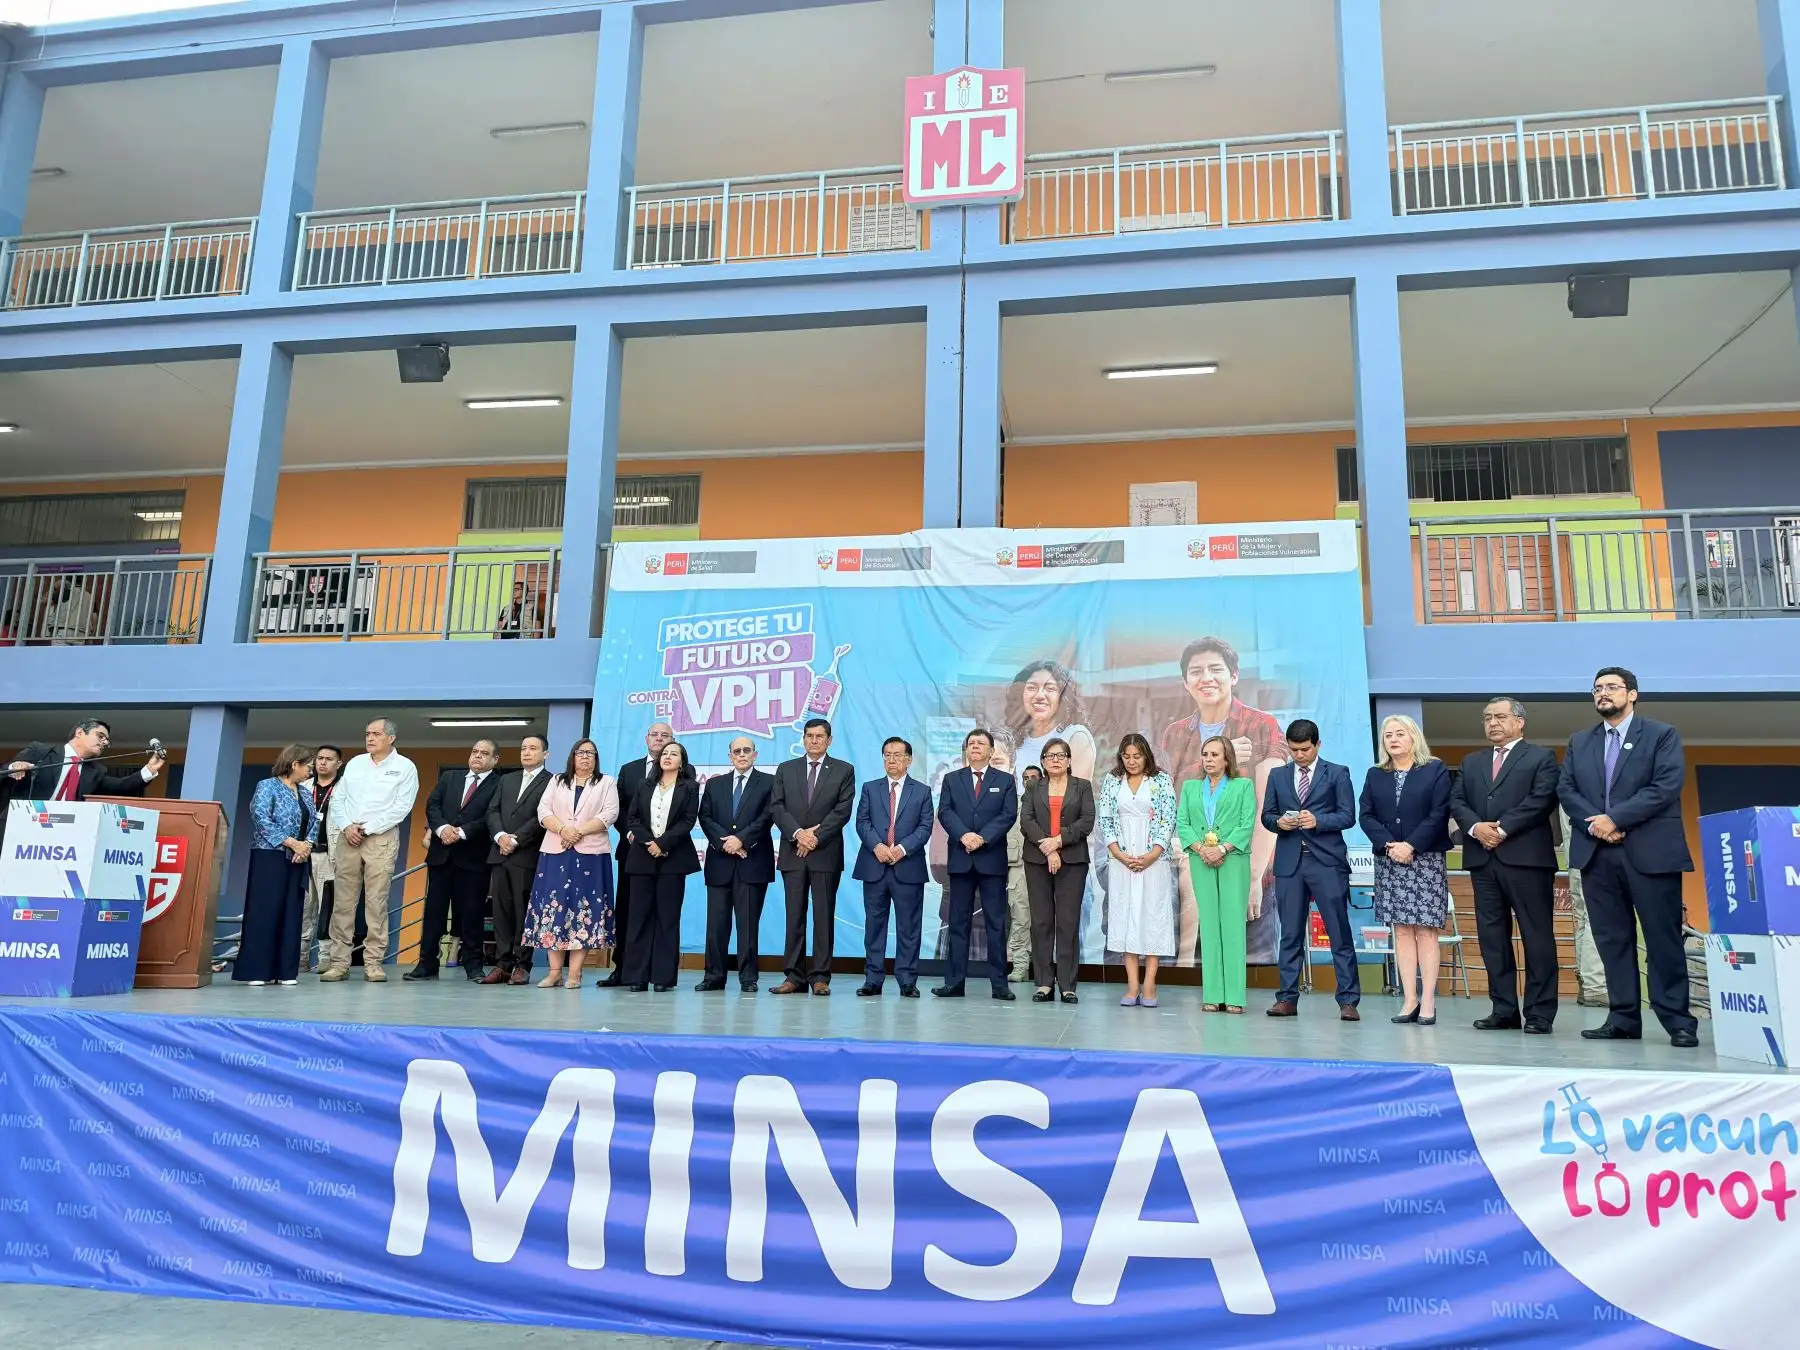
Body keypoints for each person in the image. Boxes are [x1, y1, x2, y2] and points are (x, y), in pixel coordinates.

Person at [1558, 667, 1698, 1048]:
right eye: (1597, 688)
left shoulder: (1660, 735)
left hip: (1650, 853)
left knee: (1662, 940)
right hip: (1597, 855)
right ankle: (1622, 1018)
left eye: (1612, 687)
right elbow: (1566, 789)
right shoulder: (1580, 741)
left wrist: (1615, 818)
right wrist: (1596, 825)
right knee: (1612, 940)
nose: (1603, 693)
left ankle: (1678, 1021)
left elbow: (1666, 786)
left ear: (1632, 694)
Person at [1158, 636, 1288, 964]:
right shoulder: (1175, 734)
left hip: (1243, 872)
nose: (1206, 678)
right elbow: (1171, 802)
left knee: (1249, 971)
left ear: (1234, 675)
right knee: (1192, 974)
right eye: (1196, 671)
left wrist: (1253, 876)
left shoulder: (1262, 725)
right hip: (1190, 874)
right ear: (1185, 682)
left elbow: (1268, 805)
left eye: (1216, 669)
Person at [1451, 698, 1562, 1034]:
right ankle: (1504, 1009)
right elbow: (1457, 800)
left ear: (1520, 722)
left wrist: (1500, 828)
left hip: (1527, 859)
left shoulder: (1541, 757)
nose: (1493, 723)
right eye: (1487, 718)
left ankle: (1540, 1013)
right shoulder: (1472, 762)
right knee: (1492, 939)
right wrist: (1476, 828)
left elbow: (1542, 799)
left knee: (1536, 936)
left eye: (1500, 716)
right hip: (1483, 861)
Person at [1263, 719, 1359, 1020]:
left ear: (1317, 745)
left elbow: (1348, 815)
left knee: (1338, 931)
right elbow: (1267, 815)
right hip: (1290, 863)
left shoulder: (1338, 773)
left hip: (1327, 862)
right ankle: (1287, 998)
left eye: (1304, 749)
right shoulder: (1278, 775)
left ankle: (1348, 1000)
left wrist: (1319, 820)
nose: (1299, 755)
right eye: (1294, 750)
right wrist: (1279, 823)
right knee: (1289, 934)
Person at [1359, 716, 1452, 1027]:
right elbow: (1366, 814)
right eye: (1388, 735)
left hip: (1424, 859)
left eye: (1400, 734)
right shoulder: (1375, 774)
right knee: (1400, 930)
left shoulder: (1434, 769)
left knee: (1426, 930)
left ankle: (1428, 1000)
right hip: (1389, 859)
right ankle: (1409, 998)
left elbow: (1440, 813)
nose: (1393, 739)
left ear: (1414, 737)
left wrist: (1411, 845)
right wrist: (1389, 844)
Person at [319, 718, 419, 983]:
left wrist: (368, 828)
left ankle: (373, 963)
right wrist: (346, 826)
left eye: (376, 734)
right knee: (342, 903)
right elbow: (338, 800)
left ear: (391, 738)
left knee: (376, 902)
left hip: (380, 838)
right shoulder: (355, 764)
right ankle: (338, 963)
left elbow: (402, 806)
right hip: (348, 837)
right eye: (367, 734)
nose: (370, 738)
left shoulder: (405, 767)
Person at [770, 718, 855, 996]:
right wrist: (798, 834)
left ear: (829, 740)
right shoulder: (786, 769)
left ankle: (820, 976)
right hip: (793, 852)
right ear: (804, 739)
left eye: (820, 736)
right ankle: (793, 976)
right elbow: (777, 808)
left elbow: (842, 811)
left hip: (825, 853)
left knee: (823, 915)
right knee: (794, 915)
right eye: (809, 736)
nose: (814, 740)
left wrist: (815, 838)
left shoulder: (843, 770)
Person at [406, 740, 501, 982]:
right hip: (441, 856)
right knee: (434, 913)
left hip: (473, 858)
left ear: (495, 760)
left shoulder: (499, 784)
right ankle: (427, 964)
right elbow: (432, 805)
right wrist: (443, 828)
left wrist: (459, 832)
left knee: (471, 914)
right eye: (474, 752)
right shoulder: (450, 777)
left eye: (484, 754)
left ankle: (473, 966)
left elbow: (490, 816)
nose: (477, 756)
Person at [527, 739, 620, 989]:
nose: (585, 757)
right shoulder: (557, 781)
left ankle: (575, 974)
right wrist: (563, 830)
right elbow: (543, 811)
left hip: (591, 854)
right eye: (581, 753)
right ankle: (555, 971)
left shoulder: (607, 782)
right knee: (553, 911)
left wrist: (577, 832)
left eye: (591, 753)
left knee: (584, 912)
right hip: (556, 852)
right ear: (573, 756)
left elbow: (609, 814)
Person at [935, 728, 1019, 1000]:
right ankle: (954, 983)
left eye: (981, 743)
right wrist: (964, 835)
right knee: (958, 924)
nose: (975, 747)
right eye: (971, 743)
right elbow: (945, 812)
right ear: (966, 750)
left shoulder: (1005, 780)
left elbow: (1008, 814)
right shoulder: (952, 779)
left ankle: (999, 984)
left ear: (990, 750)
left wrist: (982, 838)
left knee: (996, 923)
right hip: (961, 859)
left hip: (991, 859)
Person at [1177, 735, 1256, 1014]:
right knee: (1209, 925)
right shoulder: (1189, 788)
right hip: (1201, 859)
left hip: (1233, 859)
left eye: (1214, 755)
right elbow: (1182, 823)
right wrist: (1202, 849)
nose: (1209, 760)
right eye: (1205, 754)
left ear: (1227, 759)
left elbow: (1247, 823)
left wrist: (1222, 848)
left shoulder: (1243, 786)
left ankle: (1234, 996)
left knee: (1232, 926)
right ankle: (1212, 994)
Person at [1100, 733, 1178, 1007]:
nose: (1131, 761)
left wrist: (1152, 855)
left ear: (1146, 755)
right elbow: (1106, 819)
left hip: (1154, 861)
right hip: (1121, 861)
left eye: (1137, 756)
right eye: (1126, 756)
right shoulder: (1112, 781)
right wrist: (1120, 855)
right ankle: (1132, 985)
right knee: (1125, 917)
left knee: (1152, 918)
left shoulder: (1161, 780)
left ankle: (1150, 984)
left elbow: (1169, 819)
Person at [853, 736, 934, 997]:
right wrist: (877, 846)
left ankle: (907, 980)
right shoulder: (870, 788)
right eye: (887, 754)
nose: (892, 759)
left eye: (897, 754)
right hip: (874, 865)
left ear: (909, 760)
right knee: (874, 926)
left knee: (909, 928)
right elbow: (862, 822)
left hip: (907, 867)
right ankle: (873, 979)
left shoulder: (921, 791)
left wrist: (900, 849)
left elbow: (925, 827)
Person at [233, 743, 317, 987]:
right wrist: (291, 842)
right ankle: (257, 970)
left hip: (297, 859)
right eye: (308, 767)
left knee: (292, 912)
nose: (310, 771)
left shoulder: (304, 792)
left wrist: (305, 846)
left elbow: (314, 821)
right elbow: (260, 817)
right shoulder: (267, 786)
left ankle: (285, 971)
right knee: (264, 911)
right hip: (269, 855)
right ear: (295, 764)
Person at [1019, 737, 1095, 1004]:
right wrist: (1049, 849)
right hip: (1038, 860)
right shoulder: (1033, 787)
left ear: (1069, 761)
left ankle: (1067, 984)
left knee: (1067, 922)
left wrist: (1059, 841)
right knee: (1040, 922)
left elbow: (1087, 821)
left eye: (1060, 756)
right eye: (1049, 756)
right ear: (1042, 761)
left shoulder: (1082, 787)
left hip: (1072, 861)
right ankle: (1043, 983)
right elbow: (1025, 821)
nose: (1055, 760)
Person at [697, 737, 775, 991]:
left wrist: (741, 840)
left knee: (748, 924)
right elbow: (705, 817)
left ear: (755, 754)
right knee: (716, 925)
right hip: (720, 863)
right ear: (730, 755)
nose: (742, 755)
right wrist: (725, 843)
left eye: (747, 750)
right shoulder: (715, 784)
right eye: (737, 751)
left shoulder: (769, 783)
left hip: (753, 862)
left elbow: (768, 817)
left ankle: (748, 978)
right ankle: (714, 976)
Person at [599, 721, 673, 987]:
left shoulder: (683, 771)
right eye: (655, 734)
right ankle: (623, 969)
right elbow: (618, 809)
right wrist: (632, 834)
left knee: (662, 912)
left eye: (665, 735)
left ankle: (657, 971)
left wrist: (661, 841)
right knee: (629, 911)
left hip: (667, 852)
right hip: (632, 850)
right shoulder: (629, 770)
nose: (659, 739)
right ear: (646, 738)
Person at [622, 740, 700, 992]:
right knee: (639, 917)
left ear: (682, 761)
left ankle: (663, 977)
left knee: (667, 919)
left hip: (673, 859)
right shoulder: (645, 785)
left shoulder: (690, 787)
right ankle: (636, 976)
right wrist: (648, 842)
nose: (667, 757)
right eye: (664, 753)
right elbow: (632, 818)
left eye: (673, 754)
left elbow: (688, 820)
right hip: (642, 858)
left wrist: (663, 843)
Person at [482, 732, 553, 985]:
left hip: (527, 854)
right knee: (500, 913)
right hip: (500, 854)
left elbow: (542, 817)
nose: (526, 752)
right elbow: (492, 811)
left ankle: (522, 965)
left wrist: (515, 840)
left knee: (524, 912)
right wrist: (501, 836)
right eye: (524, 748)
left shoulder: (552, 781)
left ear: (545, 754)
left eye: (533, 748)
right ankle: (501, 965)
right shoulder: (507, 779)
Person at [4, 717, 165, 804]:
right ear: (80, 732)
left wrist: (149, 770)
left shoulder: (96, 771)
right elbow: (4, 771)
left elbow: (120, 786)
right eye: (100, 736)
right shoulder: (41, 751)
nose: (105, 743)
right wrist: (15, 767)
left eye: (107, 742)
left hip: (63, 835)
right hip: (20, 827)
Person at [1007, 659, 1097, 780]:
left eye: (1050, 688)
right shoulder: (1014, 741)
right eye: (1032, 688)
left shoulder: (1075, 736)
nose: (1039, 695)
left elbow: (1078, 796)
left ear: (1062, 697)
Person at [298, 746, 342, 974]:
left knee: (328, 909)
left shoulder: (344, 788)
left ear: (339, 764)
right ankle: (300, 957)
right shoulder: (303, 787)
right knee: (303, 908)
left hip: (329, 855)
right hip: (302, 854)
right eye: (320, 759)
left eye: (329, 759)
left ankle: (326, 958)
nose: (323, 763)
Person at [1005, 765, 1040, 982]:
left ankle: (1047, 968)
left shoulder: (1050, 800)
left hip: (1045, 865)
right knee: (1019, 917)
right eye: (1025, 777)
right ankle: (1019, 966)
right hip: (1018, 866)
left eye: (1034, 777)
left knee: (1047, 919)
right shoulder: (1013, 804)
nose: (1029, 781)